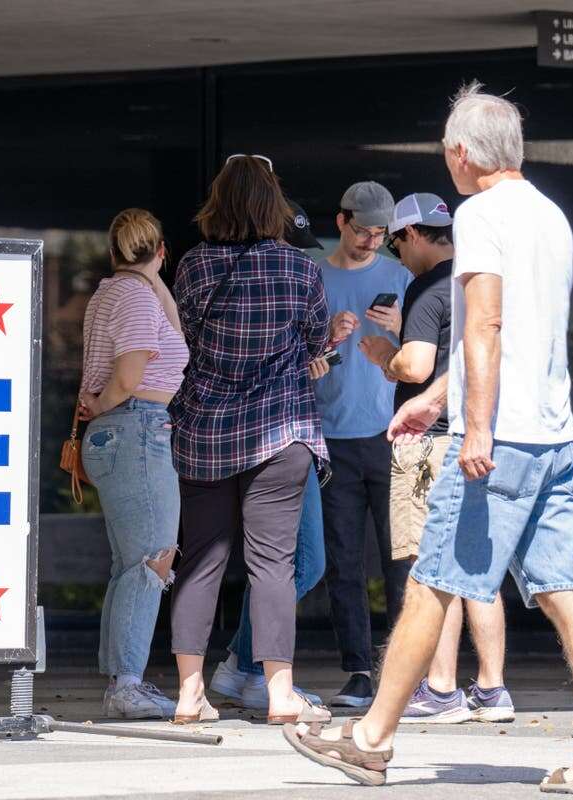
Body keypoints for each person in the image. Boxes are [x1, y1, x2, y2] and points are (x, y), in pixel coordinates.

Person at [284, 82, 573, 796]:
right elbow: (523, 336)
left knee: (429, 586)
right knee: (567, 591)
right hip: (553, 436)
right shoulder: (552, 216)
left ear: (462, 153)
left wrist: (470, 426)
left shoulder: (480, 215)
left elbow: (485, 325)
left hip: (498, 440)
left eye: (448, 151)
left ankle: (370, 738)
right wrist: (437, 396)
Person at [169, 156, 333, 725]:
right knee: (273, 565)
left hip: (204, 436)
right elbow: (315, 343)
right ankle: (280, 693)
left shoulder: (193, 267)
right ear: (274, 208)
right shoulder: (301, 270)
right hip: (280, 433)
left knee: (199, 563)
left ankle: (190, 694)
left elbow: (179, 342)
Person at [359, 192, 513, 724]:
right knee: (477, 566)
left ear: (417, 235)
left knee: (430, 568)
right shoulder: (477, 284)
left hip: (430, 443)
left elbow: (418, 366)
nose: (398, 254)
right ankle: (492, 690)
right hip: (478, 437)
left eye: (398, 241)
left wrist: (386, 355)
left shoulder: (427, 288)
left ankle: (441, 688)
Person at [210, 199, 327, 711]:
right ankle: (253, 670)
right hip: (280, 434)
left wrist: (316, 354)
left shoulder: (280, 276)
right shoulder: (277, 276)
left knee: (291, 563)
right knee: (289, 563)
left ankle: (241, 664)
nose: (294, 256)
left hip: (277, 433)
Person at [78, 208, 189, 720]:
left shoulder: (118, 293)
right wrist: (102, 403)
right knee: (153, 560)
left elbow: (171, 334)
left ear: (112, 252)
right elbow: (127, 376)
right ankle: (127, 683)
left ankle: (121, 679)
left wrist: (150, 272)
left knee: (133, 562)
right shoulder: (134, 299)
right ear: (162, 250)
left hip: (125, 432)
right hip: (136, 426)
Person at [313, 180, 412, 709]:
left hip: (390, 434)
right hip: (330, 436)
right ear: (340, 221)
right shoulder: (314, 277)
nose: (373, 240)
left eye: (382, 232)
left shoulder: (400, 276)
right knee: (344, 562)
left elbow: (427, 361)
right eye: (364, 230)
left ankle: (402, 670)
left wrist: (400, 328)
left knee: (402, 560)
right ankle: (358, 670)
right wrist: (326, 338)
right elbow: (295, 363)